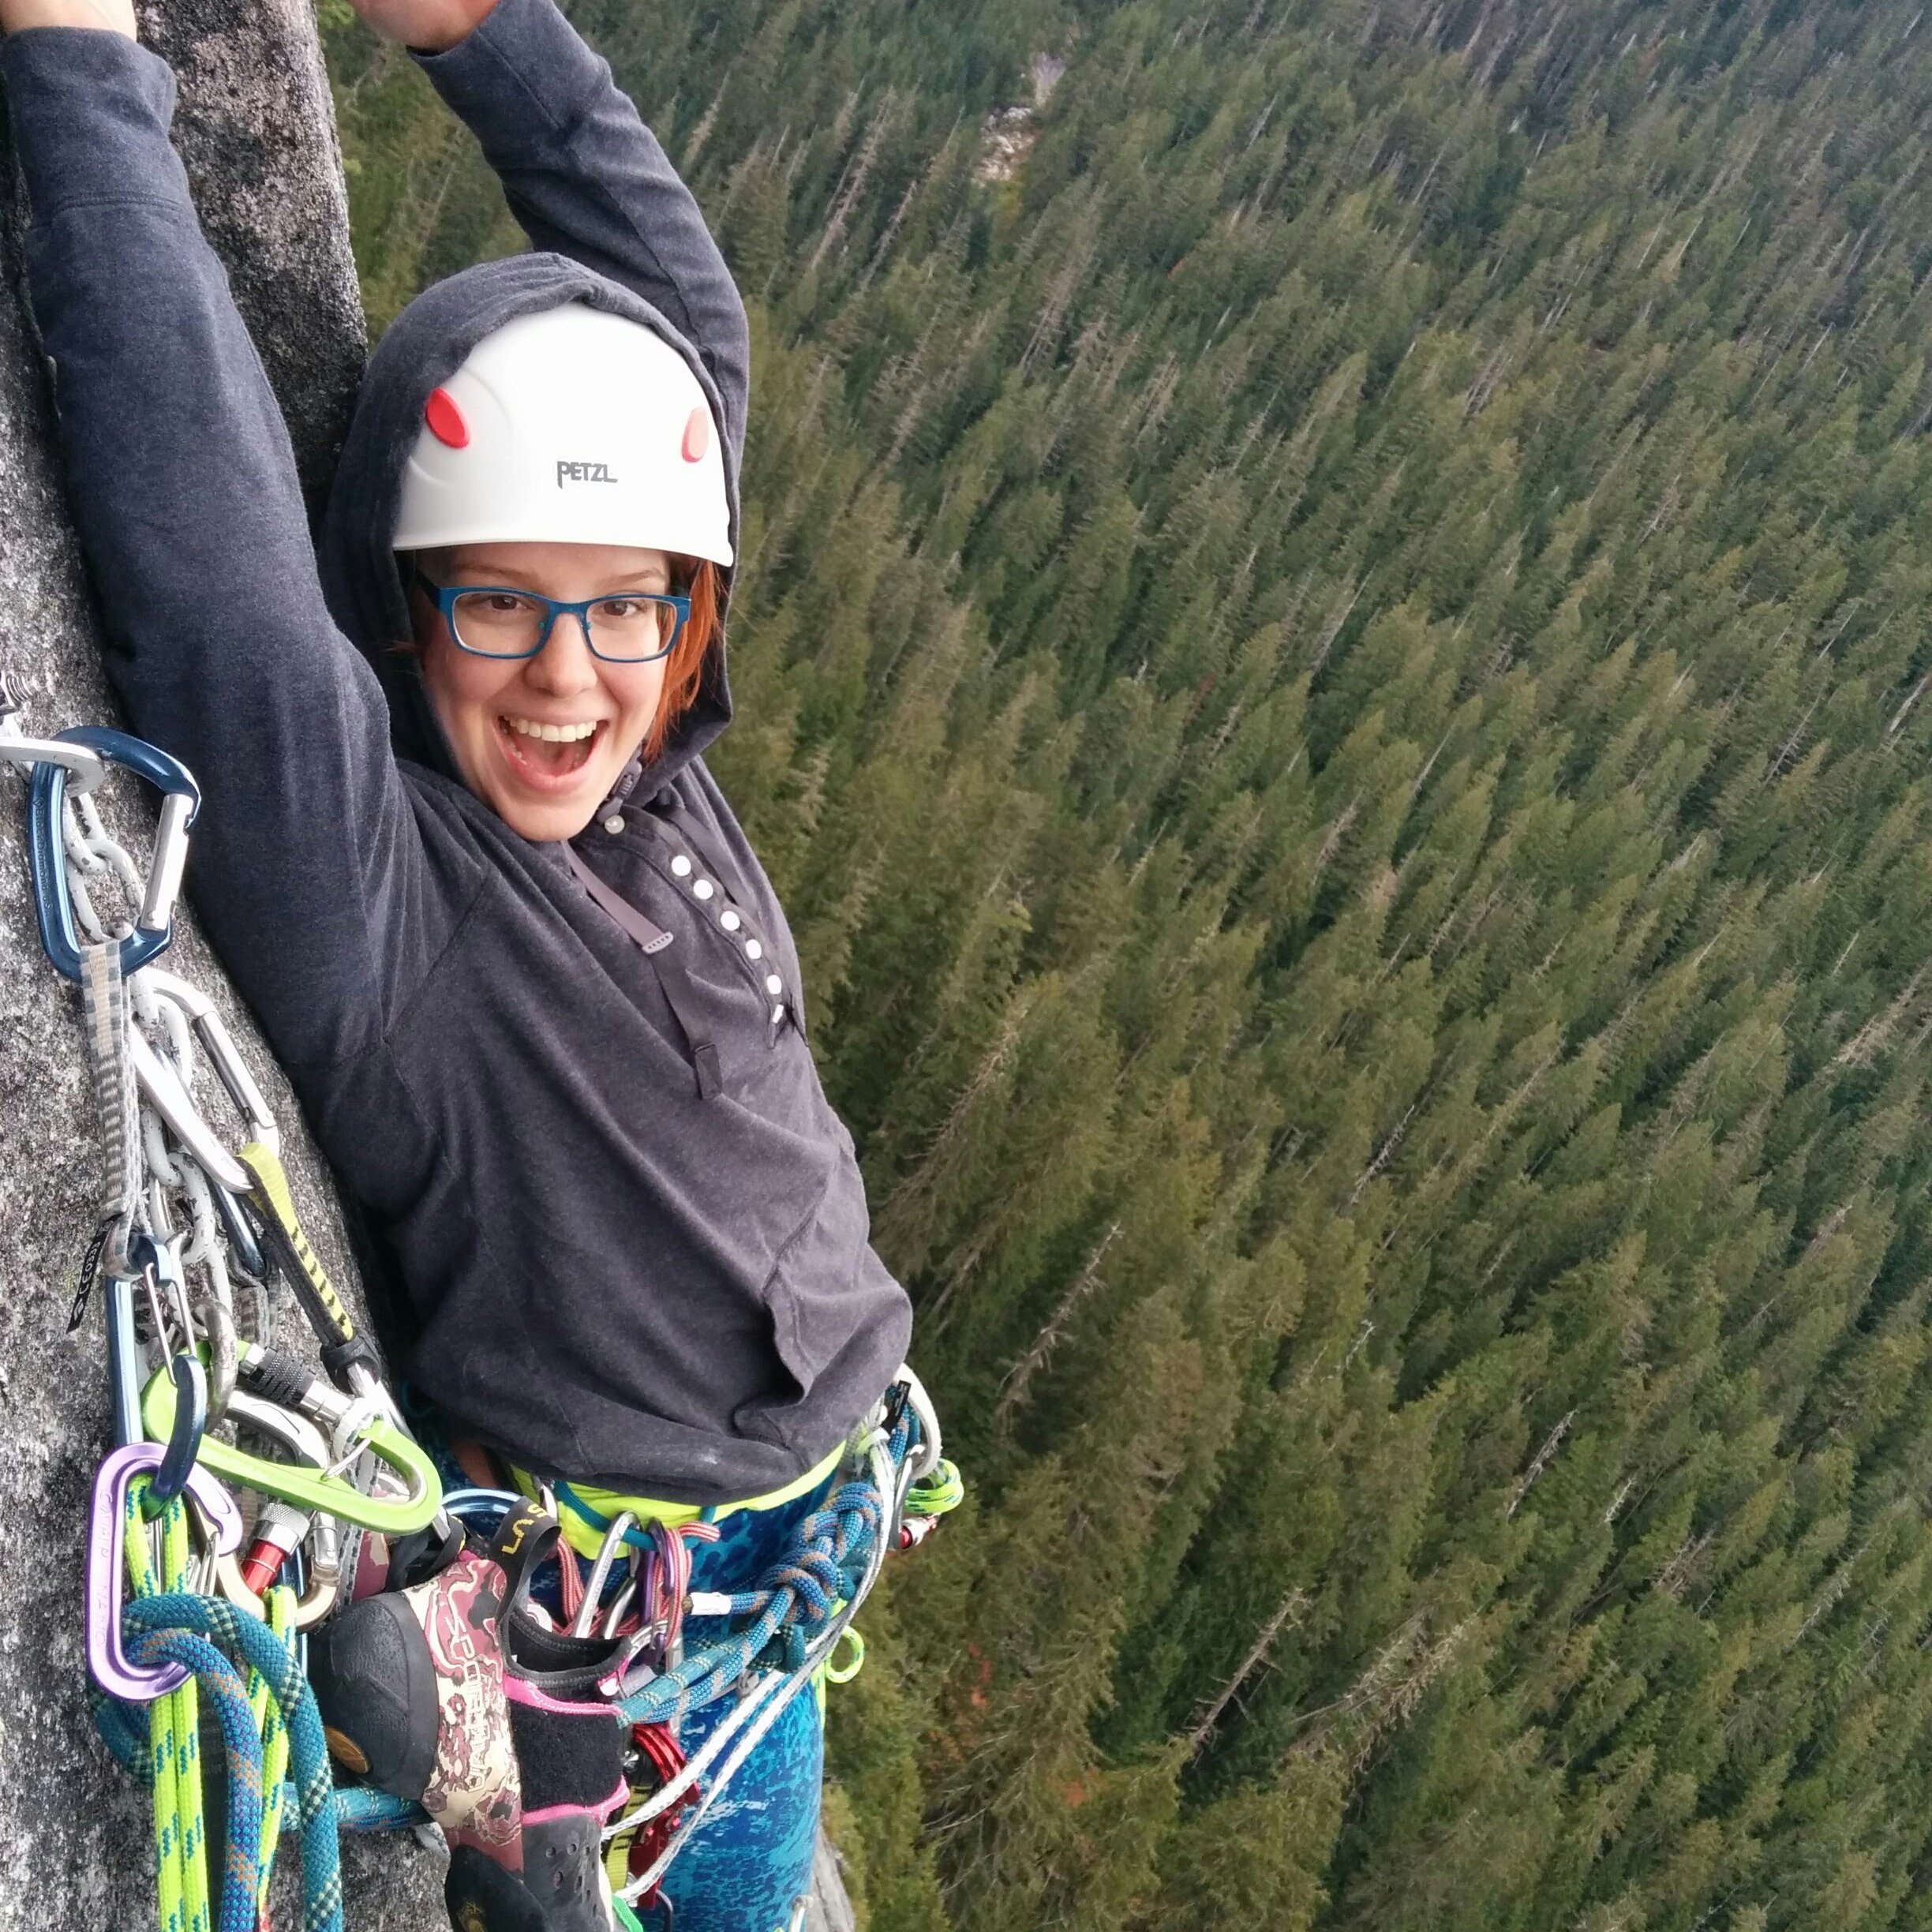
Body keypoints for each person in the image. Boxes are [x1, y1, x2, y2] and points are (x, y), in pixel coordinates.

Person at [0, 0, 923, 1924]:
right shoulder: (387, 900)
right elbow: (216, 574)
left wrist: (478, 28)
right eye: (497, 604)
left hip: (797, 1575)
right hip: (618, 1610)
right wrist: (76, 62)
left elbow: (690, 317)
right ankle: (527, 1803)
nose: (572, 680)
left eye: (624, 614)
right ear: (411, 612)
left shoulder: (652, 766)